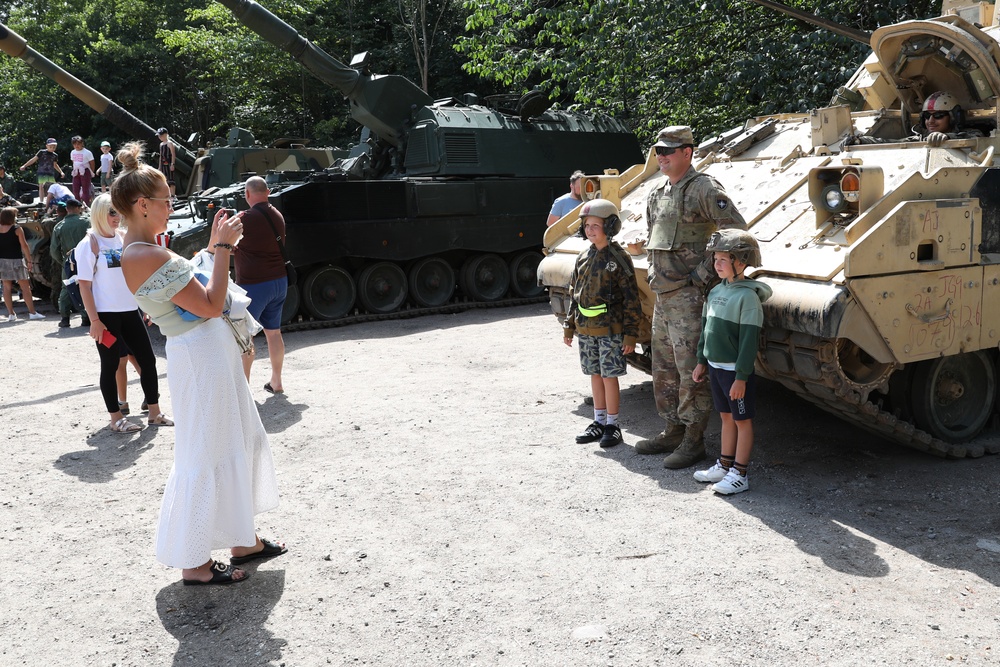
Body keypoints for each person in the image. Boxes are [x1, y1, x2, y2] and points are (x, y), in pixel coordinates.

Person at [115, 142, 284, 585]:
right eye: (166, 200)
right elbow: (209, 304)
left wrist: (210, 249)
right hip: (201, 355)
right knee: (207, 450)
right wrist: (224, 248)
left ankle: (242, 539)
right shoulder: (145, 253)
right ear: (142, 204)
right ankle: (195, 562)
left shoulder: (142, 249)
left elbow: (188, 285)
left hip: (205, 353)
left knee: (234, 440)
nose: (171, 206)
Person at [635, 126, 748, 469]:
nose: (661, 157)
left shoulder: (704, 188)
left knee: (691, 373)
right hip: (663, 296)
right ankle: (673, 429)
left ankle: (693, 440)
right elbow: (655, 237)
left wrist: (702, 275)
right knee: (664, 368)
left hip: (689, 297)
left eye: (668, 151)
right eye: (658, 151)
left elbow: (735, 232)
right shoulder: (657, 192)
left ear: (688, 152)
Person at [76, 193, 171, 433]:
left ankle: (154, 412)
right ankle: (116, 418)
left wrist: (145, 305)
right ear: (99, 213)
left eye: (118, 211)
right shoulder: (89, 243)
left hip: (130, 311)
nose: (116, 216)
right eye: (111, 212)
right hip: (106, 316)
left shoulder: (123, 238)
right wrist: (94, 320)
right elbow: (84, 286)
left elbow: (135, 275)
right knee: (110, 365)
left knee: (148, 360)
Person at [691, 230, 771, 495]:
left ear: (742, 262)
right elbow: (706, 330)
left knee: (742, 420)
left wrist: (741, 377)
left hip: (734, 373)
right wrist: (701, 361)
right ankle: (725, 465)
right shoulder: (716, 291)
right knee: (726, 417)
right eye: (716, 258)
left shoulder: (748, 298)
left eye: (724, 259)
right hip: (716, 369)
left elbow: (749, 342)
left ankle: (740, 473)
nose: (717, 264)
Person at [562, 199, 641, 448]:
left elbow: (631, 299)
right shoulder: (583, 257)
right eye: (587, 225)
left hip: (610, 330)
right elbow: (575, 293)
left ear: (609, 226)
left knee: (609, 376)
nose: (590, 230)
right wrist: (569, 325)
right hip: (586, 329)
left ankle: (612, 424)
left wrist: (630, 334)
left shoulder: (619, 258)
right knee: (594, 374)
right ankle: (598, 421)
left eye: (596, 225)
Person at [235, 176, 287, 394]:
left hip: (255, 285)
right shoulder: (277, 214)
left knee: (244, 337)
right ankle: (277, 381)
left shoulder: (245, 218)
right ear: (267, 192)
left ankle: (244, 390)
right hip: (279, 281)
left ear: (247, 194)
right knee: (273, 333)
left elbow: (224, 242)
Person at [49, 198, 92, 328]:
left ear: (67, 209)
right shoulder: (87, 222)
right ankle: (86, 318)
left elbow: (54, 250)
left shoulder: (59, 226)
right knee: (87, 287)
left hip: (68, 262)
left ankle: (65, 318)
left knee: (67, 288)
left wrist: (63, 261)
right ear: (78, 208)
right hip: (87, 260)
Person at [0, 207, 46, 321]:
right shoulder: (17, 229)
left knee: (6, 287)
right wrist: (29, 261)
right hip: (17, 261)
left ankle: (11, 314)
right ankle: (32, 312)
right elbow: (24, 245)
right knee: (25, 287)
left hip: (3, 261)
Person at [69, 136, 96, 205]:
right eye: (75, 144)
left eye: (78, 144)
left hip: (85, 171)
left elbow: (92, 163)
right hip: (76, 172)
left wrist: (91, 173)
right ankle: (77, 205)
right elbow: (73, 162)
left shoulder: (87, 152)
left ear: (82, 143)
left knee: (85, 190)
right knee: (75, 190)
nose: (76, 146)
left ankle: (86, 205)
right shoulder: (72, 152)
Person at [156, 128, 178, 198]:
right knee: (165, 180)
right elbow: (161, 156)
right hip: (163, 164)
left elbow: (173, 154)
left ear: (165, 135)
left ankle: (173, 195)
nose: (159, 137)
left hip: (169, 164)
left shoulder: (170, 143)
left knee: (171, 180)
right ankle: (167, 195)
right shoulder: (161, 144)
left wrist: (172, 164)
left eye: (161, 135)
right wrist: (160, 166)